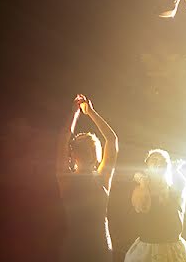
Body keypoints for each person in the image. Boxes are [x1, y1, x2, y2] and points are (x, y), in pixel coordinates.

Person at [56, 93, 118, 262]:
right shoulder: (103, 178)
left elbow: (63, 139)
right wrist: (90, 112)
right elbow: (111, 140)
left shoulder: (65, 179)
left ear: (73, 153)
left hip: (78, 247)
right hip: (97, 247)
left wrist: (74, 113)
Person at [123, 149, 186, 262]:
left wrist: (175, 171)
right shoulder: (140, 188)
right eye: (154, 160)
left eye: (163, 161)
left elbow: (182, 186)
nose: (158, 163)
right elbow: (142, 207)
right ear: (147, 164)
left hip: (173, 248)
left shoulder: (174, 188)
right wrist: (143, 183)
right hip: (147, 250)